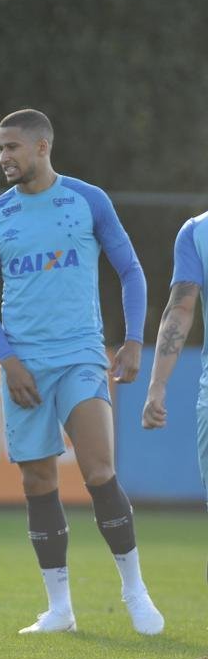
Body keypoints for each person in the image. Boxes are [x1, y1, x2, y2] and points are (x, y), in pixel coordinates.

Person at [0, 109, 164, 635]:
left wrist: (132, 340)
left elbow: (131, 271)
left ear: (41, 147)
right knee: (38, 481)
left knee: (99, 470)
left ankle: (135, 591)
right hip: (25, 365)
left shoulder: (88, 200)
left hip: (80, 355)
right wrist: (9, 362)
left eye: (11, 147)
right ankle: (60, 609)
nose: (4, 157)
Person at [141, 213, 208, 510]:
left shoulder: (197, 231)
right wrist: (156, 385)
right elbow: (180, 309)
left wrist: (158, 386)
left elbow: (180, 310)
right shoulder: (196, 232)